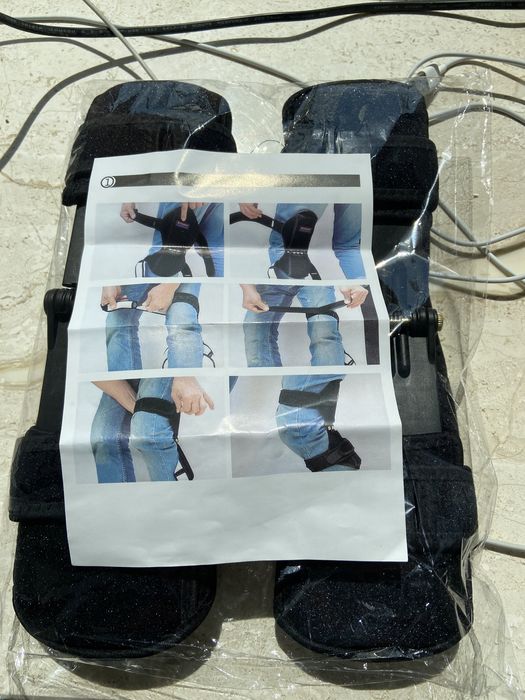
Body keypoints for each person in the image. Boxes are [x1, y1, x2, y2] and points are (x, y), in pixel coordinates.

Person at [91, 376, 214, 483]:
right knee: (102, 438)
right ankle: (120, 501)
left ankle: (172, 497)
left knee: (150, 432)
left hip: (164, 364)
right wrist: (140, 409)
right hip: (124, 377)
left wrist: (184, 375)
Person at [241, 283, 368, 367]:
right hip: (275, 273)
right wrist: (246, 287)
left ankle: (324, 389)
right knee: (255, 333)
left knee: (323, 332)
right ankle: (272, 390)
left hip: (316, 273)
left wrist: (354, 280)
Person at [238, 202, 364, 279]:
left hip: (315, 169)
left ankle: (288, 290)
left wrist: (247, 188)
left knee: (286, 242)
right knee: (349, 247)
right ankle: (366, 297)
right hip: (357, 171)